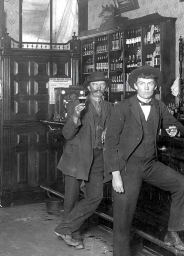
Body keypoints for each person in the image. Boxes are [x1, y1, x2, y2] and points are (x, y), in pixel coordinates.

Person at [104, 65, 184, 256]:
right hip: (127, 167)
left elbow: (176, 125)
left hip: (150, 164)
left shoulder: (159, 106)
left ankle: (172, 233)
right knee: (123, 219)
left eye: (150, 84)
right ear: (135, 86)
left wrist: (175, 130)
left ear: (155, 87)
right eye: (142, 84)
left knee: (183, 185)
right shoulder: (122, 107)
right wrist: (115, 174)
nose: (146, 87)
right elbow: (110, 143)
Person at [54, 71, 112, 249]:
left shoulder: (109, 106)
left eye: (102, 84)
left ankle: (66, 228)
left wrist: (107, 129)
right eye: (95, 84)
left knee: (95, 196)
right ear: (89, 87)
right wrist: (75, 117)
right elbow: (67, 133)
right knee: (71, 198)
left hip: (98, 157)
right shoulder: (77, 104)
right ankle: (73, 232)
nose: (99, 88)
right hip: (76, 157)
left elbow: (113, 126)